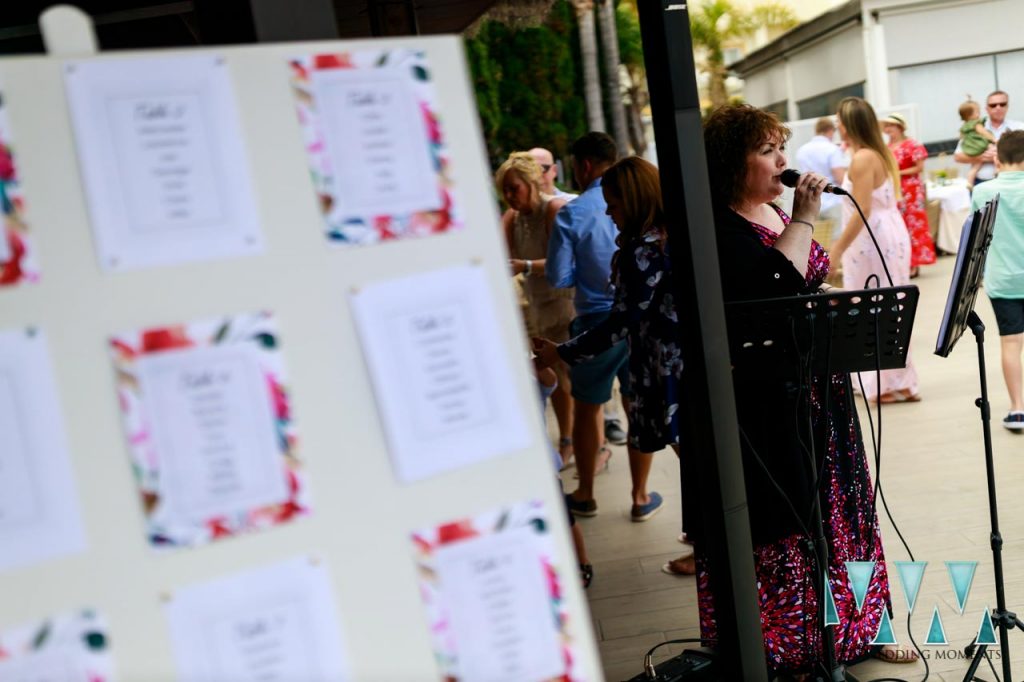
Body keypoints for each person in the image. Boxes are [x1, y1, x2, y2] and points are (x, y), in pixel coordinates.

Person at [700, 103, 910, 675]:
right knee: (796, 516)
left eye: (780, 147)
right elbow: (775, 285)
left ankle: (866, 626)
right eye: (766, 150)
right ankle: (798, 641)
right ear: (730, 162)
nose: (781, 160)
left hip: (823, 387)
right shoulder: (720, 227)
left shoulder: (771, 207)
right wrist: (805, 218)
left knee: (846, 509)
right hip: (773, 399)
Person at [536, 155, 677, 521]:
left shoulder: (640, 250)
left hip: (661, 366)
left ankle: (585, 492)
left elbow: (620, 321)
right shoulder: (670, 237)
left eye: (613, 206)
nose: (609, 213)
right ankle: (642, 497)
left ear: (632, 201)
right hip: (671, 360)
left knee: (589, 407)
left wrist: (560, 353)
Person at [831, 96, 919, 403]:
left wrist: (837, 249)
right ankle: (899, 380)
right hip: (886, 232)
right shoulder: (875, 153)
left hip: (872, 238)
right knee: (888, 303)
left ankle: (882, 383)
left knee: (871, 304)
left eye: (840, 120)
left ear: (848, 124)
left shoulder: (862, 159)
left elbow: (862, 208)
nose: (837, 125)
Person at [496, 153, 576, 465]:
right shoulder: (512, 218)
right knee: (550, 375)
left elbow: (566, 263)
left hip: (564, 302)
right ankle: (565, 438)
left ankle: (576, 442)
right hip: (534, 306)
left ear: (531, 183)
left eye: (513, 188)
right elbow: (501, 257)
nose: (509, 196)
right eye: (504, 190)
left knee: (569, 376)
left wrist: (525, 265)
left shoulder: (554, 209)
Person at [970, 130, 1024, 431]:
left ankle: (1018, 409)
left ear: (998, 158)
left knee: (1011, 342)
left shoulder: (983, 192)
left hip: (1003, 280)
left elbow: (975, 240)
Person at [881, 112, 936, 277]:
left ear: (899, 127)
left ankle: (914, 263)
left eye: (891, 126)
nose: (888, 129)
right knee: (898, 225)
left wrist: (898, 172)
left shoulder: (912, 144)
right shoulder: (886, 147)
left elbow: (919, 168)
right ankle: (901, 262)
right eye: (886, 126)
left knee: (913, 225)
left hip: (911, 189)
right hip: (894, 188)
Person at [954, 90, 1024, 186]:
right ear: (986, 108)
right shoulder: (975, 128)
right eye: (993, 105)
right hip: (981, 183)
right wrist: (982, 157)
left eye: (1002, 104)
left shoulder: (1019, 127)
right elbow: (958, 156)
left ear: (1007, 106)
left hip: (1013, 183)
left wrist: (1000, 155)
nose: (998, 108)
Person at [794, 117, 847, 224]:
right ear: (831, 130)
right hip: (833, 202)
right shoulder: (832, 149)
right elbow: (840, 178)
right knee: (836, 239)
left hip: (812, 203)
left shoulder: (802, 150)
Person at [957, 100, 999, 189]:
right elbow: (983, 133)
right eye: (977, 111)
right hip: (981, 144)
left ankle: (969, 182)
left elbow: (962, 137)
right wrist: (994, 140)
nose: (979, 113)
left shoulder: (964, 126)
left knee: (975, 167)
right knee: (995, 151)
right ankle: (997, 169)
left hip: (972, 148)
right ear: (971, 115)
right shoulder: (976, 124)